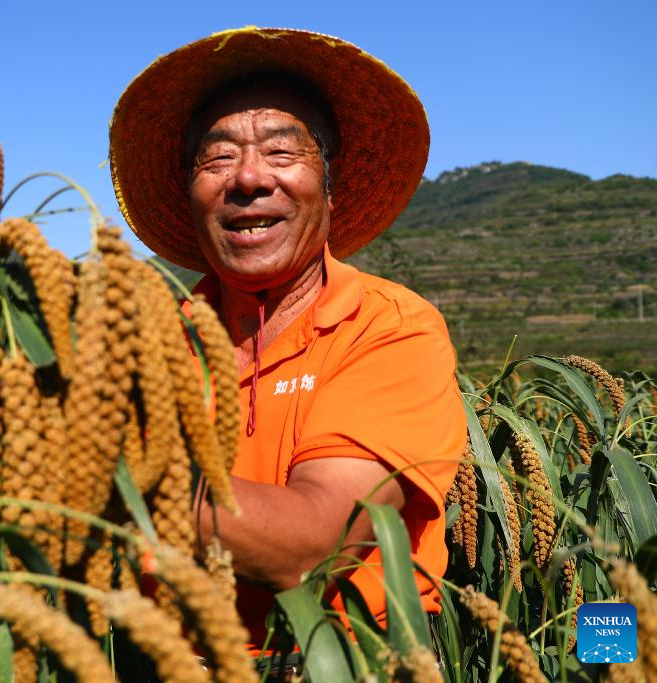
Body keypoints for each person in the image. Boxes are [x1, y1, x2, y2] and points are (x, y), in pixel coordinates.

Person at [108, 27, 468, 647]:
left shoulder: (388, 327)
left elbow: (312, 547)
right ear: (189, 192)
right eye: (217, 158)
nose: (248, 178)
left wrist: (94, 459)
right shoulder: (144, 342)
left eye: (281, 153)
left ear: (328, 185)